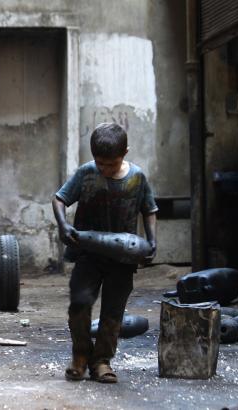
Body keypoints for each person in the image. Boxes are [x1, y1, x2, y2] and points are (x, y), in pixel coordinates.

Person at [52, 122, 158, 383]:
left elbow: (150, 209)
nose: (105, 169)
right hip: (88, 256)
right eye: (100, 163)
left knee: (113, 313)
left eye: (111, 164)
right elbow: (59, 199)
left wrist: (152, 240)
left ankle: (101, 361)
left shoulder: (137, 177)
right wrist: (64, 225)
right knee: (79, 303)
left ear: (126, 153)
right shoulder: (87, 173)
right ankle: (80, 356)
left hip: (122, 260)